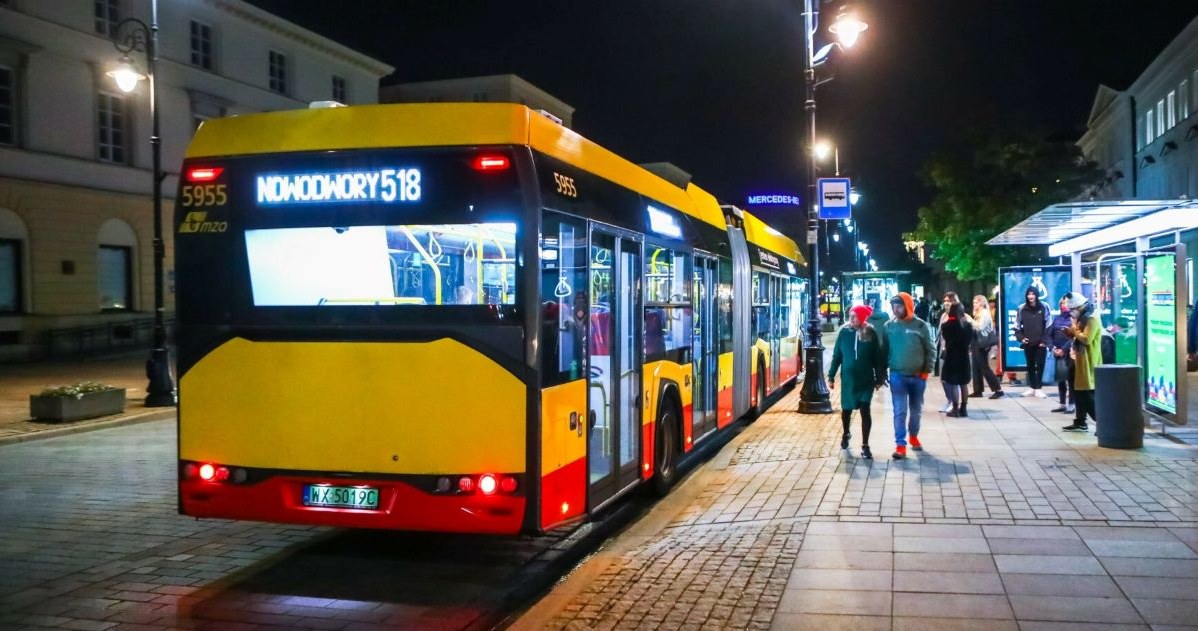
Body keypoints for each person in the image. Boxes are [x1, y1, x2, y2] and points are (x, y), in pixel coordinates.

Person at [828, 304, 887, 460]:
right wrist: (831, 375)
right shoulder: (844, 332)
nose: (851, 318)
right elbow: (837, 356)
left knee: (865, 410)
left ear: (862, 318)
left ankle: (865, 445)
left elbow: (878, 358)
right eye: (850, 315)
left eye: (854, 316)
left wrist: (880, 378)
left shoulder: (870, 333)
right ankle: (846, 432)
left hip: (865, 380)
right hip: (848, 380)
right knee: (846, 410)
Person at [881, 292, 935, 460]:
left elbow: (930, 349)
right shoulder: (889, 326)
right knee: (899, 411)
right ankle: (900, 445)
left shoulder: (921, 326)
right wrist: (882, 372)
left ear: (908, 305)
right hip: (897, 375)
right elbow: (884, 351)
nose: (895, 309)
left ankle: (913, 435)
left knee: (916, 410)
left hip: (918, 376)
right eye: (893, 306)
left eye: (899, 305)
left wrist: (926, 370)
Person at [1062, 294, 1101, 432]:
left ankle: (1101, 422)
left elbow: (1086, 339)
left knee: (1085, 394)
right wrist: (1070, 332)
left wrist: (1075, 329)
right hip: (1078, 359)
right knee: (1078, 392)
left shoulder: (1091, 318)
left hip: (1088, 360)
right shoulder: (1082, 317)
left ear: (1079, 307)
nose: (1071, 313)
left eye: (1072, 309)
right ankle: (1080, 421)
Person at [965, 294, 1004, 399]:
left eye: (976, 303)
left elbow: (980, 327)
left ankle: (998, 389)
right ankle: (978, 390)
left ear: (982, 303)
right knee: (976, 367)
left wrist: (970, 320)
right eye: (974, 302)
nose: (974, 305)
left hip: (982, 342)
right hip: (976, 341)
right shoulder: (978, 313)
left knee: (984, 366)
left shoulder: (985, 313)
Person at [1014, 287, 1050, 398]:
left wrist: (1044, 340)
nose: (1031, 296)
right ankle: (1032, 387)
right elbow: (1017, 326)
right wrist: (1021, 338)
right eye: (1029, 294)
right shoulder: (1021, 308)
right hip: (1028, 342)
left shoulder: (1044, 307)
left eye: (1033, 294)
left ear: (1037, 295)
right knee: (1030, 365)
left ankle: (1038, 388)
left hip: (1041, 343)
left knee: (1040, 364)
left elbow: (1049, 325)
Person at [940, 302, 974, 417]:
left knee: (953, 383)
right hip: (964, 357)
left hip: (951, 357)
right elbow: (970, 340)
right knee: (963, 384)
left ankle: (955, 408)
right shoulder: (968, 326)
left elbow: (946, 338)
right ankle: (964, 408)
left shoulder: (946, 326)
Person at [1047, 294, 1076, 414]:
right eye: (1062, 303)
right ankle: (1062, 403)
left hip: (1070, 353)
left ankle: (1072, 404)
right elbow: (1049, 335)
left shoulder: (1073, 319)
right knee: (1061, 379)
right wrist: (1052, 348)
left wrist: (1063, 349)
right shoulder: (1057, 319)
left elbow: (1074, 336)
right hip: (1057, 353)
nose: (1064, 305)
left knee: (1071, 379)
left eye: (1066, 303)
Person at [936, 292, 961, 411]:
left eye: (949, 301)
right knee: (943, 378)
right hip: (943, 351)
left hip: (955, 352)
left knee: (953, 380)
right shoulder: (943, 316)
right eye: (945, 300)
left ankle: (955, 403)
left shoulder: (961, 316)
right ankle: (949, 400)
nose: (946, 303)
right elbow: (940, 334)